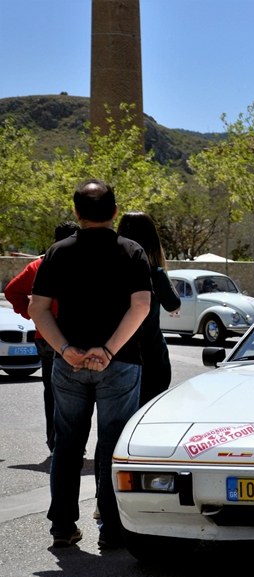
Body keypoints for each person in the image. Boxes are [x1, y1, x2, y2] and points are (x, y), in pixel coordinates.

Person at [29, 179, 152, 549]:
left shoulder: (58, 252)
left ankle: (63, 525)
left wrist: (65, 349)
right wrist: (109, 351)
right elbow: (141, 306)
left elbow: (37, 308)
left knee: (67, 445)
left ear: (77, 212)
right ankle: (112, 528)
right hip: (121, 362)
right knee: (113, 446)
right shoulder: (132, 251)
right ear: (115, 211)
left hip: (70, 364)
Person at [4, 221, 80, 452]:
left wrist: (34, 314)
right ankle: (73, 443)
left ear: (55, 241)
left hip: (46, 335)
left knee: (53, 391)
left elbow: (12, 291)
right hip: (76, 336)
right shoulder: (84, 264)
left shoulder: (39, 265)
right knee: (79, 392)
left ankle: (55, 442)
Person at [116, 212, 181, 407]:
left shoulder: (111, 272)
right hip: (153, 359)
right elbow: (174, 305)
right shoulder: (156, 274)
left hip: (117, 356)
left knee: (119, 419)